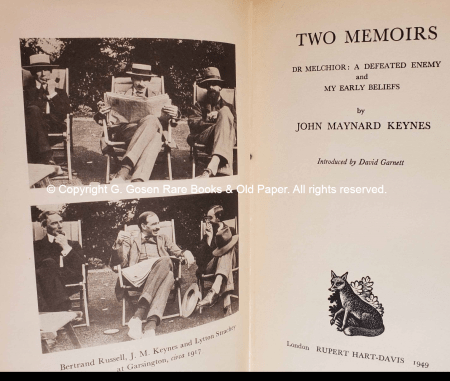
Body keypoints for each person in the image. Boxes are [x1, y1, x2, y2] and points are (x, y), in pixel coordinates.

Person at [111, 212, 195, 340]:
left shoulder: (163, 238)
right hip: (137, 277)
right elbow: (119, 264)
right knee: (166, 261)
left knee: (169, 274)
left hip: (159, 276)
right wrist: (118, 245)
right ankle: (146, 319)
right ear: (144, 226)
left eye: (158, 223)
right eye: (154, 224)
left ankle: (145, 322)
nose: (158, 227)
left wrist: (186, 252)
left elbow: (178, 251)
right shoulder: (131, 240)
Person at [95, 63, 180, 183]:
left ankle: (125, 171)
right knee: (155, 133)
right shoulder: (122, 97)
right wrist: (102, 112)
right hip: (128, 131)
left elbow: (172, 119)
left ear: (149, 80)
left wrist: (176, 113)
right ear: (132, 79)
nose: (141, 83)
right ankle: (138, 179)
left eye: (145, 79)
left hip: (152, 130)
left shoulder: (158, 97)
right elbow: (105, 118)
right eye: (138, 79)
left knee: (152, 123)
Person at [187, 67, 237, 178]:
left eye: (214, 84)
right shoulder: (198, 105)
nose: (210, 87)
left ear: (220, 87)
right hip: (206, 136)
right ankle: (224, 170)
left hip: (223, 138)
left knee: (224, 111)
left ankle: (212, 167)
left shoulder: (229, 107)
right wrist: (211, 120)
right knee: (224, 113)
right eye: (207, 85)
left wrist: (220, 116)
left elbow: (237, 128)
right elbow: (193, 124)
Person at [23, 54, 72, 165]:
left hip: (54, 126)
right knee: (33, 110)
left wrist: (53, 93)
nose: (44, 73)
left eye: (46, 70)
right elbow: (27, 110)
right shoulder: (27, 91)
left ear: (50, 72)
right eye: (39, 70)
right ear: (33, 73)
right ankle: (46, 157)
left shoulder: (59, 92)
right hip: (33, 127)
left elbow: (66, 111)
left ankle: (42, 158)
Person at [34, 211, 85, 312]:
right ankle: (63, 309)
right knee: (48, 263)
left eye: (61, 222)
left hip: (69, 278)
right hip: (46, 281)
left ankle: (53, 312)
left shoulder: (73, 245)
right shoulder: (37, 246)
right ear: (44, 227)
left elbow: (80, 265)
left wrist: (65, 246)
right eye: (54, 223)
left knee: (48, 266)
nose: (60, 226)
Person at [195, 205, 238, 315]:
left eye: (210, 218)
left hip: (229, 264)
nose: (207, 221)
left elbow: (237, 255)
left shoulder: (231, 231)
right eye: (206, 218)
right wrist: (208, 240)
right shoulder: (207, 234)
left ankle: (213, 292)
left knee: (227, 251)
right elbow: (200, 261)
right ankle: (226, 304)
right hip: (212, 267)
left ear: (218, 218)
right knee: (224, 258)